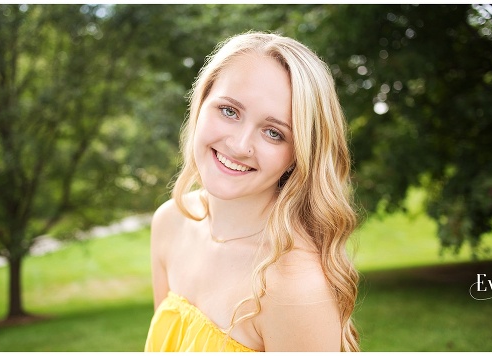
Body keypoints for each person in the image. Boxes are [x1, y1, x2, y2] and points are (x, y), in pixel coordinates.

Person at [144, 32, 360, 351]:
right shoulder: (171, 222)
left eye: (273, 133)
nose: (240, 145)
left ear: (298, 155)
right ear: (201, 102)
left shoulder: (293, 285)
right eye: (229, 111)